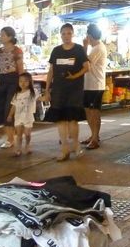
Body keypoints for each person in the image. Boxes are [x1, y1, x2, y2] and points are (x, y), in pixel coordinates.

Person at [42, 23, 89, 161]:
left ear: (72, 34)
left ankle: (76, 145)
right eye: (63, 34)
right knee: (61, 120)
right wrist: (47, 90)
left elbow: (87, 67)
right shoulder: (56, 50)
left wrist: (74, 76)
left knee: (73, 119)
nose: (66, 36)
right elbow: (51, 71)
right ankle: (64, 149)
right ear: (60, 35)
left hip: (74, 90)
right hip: (58, 89)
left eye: (69, 33)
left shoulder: (79, 49)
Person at [0, 26, 24, 149]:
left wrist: (22, 85)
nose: (0, 37)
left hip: (13, 80)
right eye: (0, 34)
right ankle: (9, 137)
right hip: (2, 80)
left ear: (10, 37)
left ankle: (11, 139)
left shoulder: (17, 51)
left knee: (9, 109)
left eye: (3, 35)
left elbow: (20, 69)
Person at [82, 23, 107, 150]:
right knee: (88, 111)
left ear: (90, 36)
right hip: (89, 85)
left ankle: (95, 138)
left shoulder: (98, 48)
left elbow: (85, 62)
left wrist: (85, 46)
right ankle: (93, 135)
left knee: (94, 112)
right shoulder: (96, 47)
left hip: (95, 85)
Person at [7, 72, 36, 156]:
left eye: (25, 81)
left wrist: (47, 97)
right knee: (18, 134)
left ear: (30, 82)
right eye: (20, 81)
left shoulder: (32, 92)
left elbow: (40, 98)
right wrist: (10, 115)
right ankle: (18, 149)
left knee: (27, 134)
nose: (23, 83)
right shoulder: (17, 94)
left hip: (28, 117)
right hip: (18, 117)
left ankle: (27, 145)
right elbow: (14, 105)